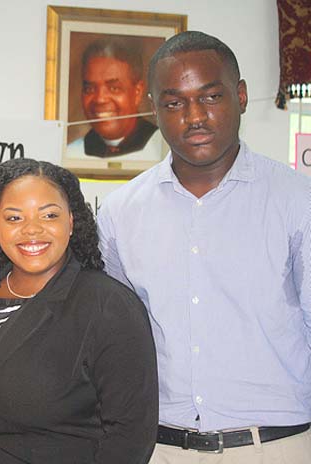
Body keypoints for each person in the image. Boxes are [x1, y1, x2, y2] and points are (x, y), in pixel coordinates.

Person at [97, 30, 311, 463]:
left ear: (242, 96)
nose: (194, 116)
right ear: (154, 111)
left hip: (275, 447)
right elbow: (113, 341)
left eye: (211, 97)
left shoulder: (297, 201)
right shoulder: (120, 212)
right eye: (174, 103)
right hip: (160, 448)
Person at [0, 158, 158, 463]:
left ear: (72, 221)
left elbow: (129, 435)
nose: (32, 230)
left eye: (49, 215)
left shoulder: (109, 306)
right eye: (14, 218)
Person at [66, 38, 162, 161]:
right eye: (90, 89)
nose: (100, 99)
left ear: (137, 92)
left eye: (114, 88)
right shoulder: (71, 154)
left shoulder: (163, 149)